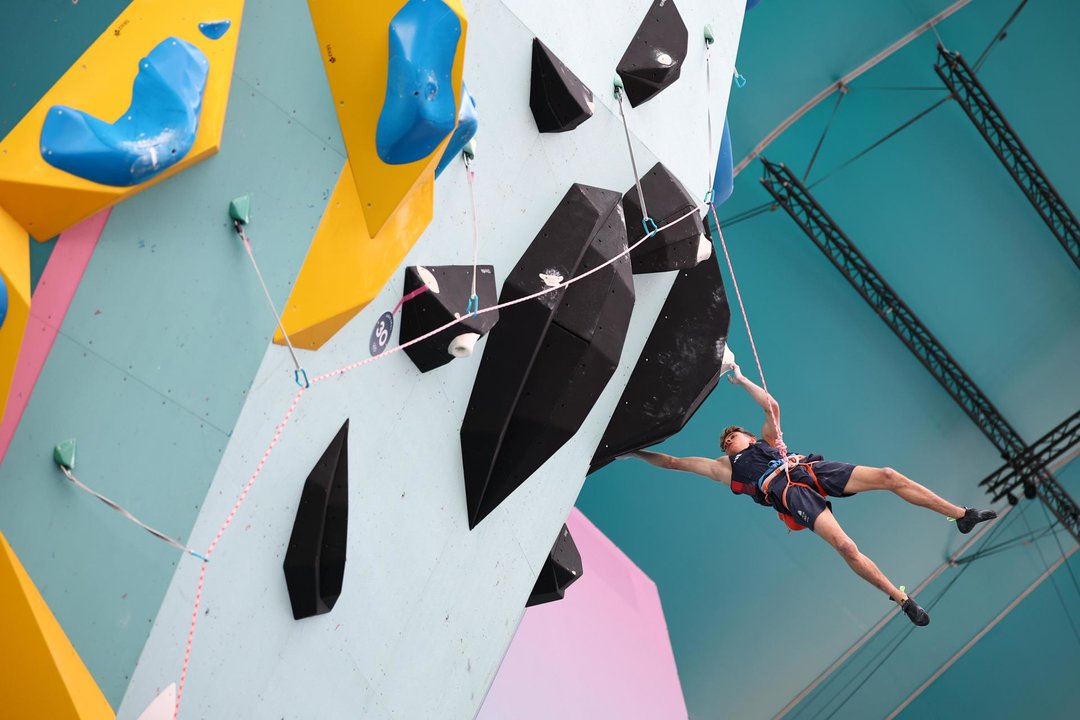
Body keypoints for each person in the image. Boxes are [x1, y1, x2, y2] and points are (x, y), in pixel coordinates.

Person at [630, 364, 998, 626]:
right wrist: (633, 451)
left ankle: (961, 514)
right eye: (725, 443)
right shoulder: (726, 468)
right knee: (847, 547)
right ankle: (902, 600)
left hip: (806, 470)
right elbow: (674, 462)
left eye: (733, 437)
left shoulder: (767, 442)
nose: (728, 442)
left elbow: (772, 407)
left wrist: (739, 378)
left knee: (888, 475)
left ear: (750, 438)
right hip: (789, 493)